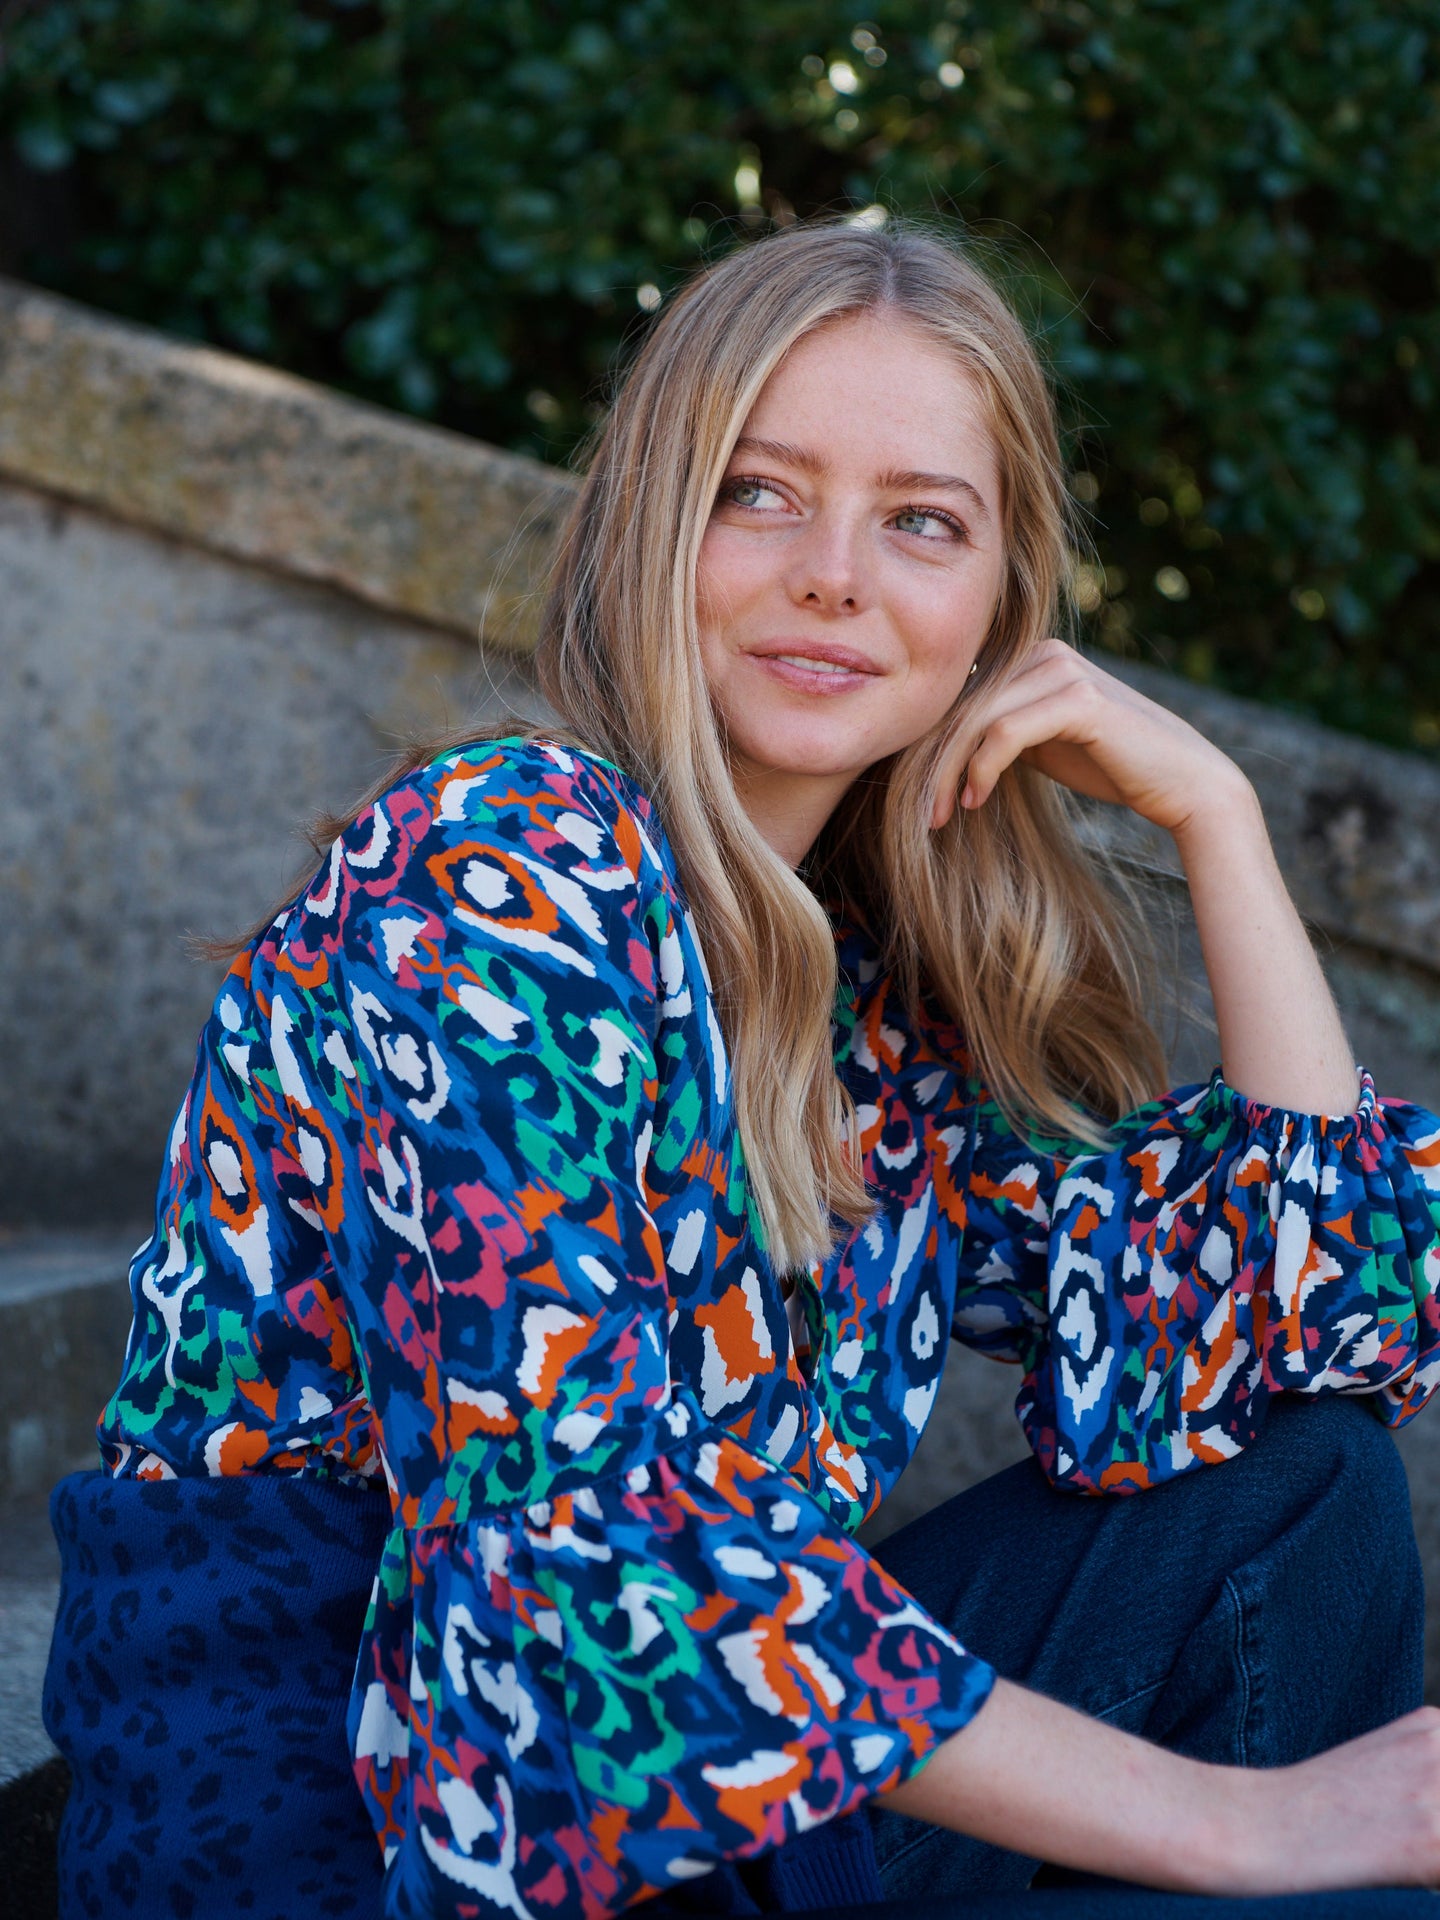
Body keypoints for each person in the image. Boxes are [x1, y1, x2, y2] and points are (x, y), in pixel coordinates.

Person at [42, 218, 1440, 1920]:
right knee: (1324, 1874)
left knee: (1308, 1492)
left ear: (1001, 602)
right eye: (760, 492)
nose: (836, 574)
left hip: (698, 1791)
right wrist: (1259, 1828)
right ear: (654, 525)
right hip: (361, 1820)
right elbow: (581, 1569)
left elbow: (1307, 1320)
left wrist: (1220, 822)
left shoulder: (867, 988)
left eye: (923, 522)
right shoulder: (496, 877)